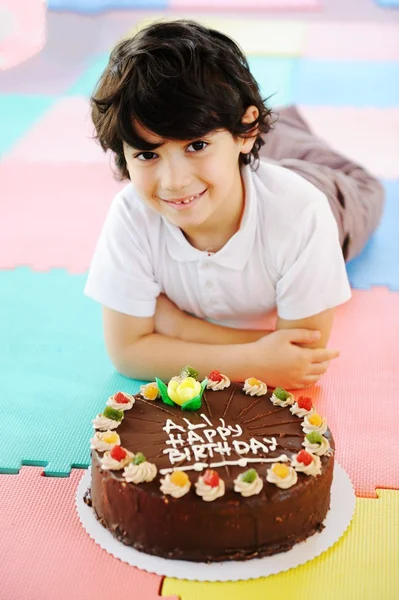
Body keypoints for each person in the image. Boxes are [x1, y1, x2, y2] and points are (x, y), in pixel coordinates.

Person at [85, 20, 384, 389]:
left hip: (332, 192)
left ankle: (278, 127)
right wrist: (255, 359)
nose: (174, 181)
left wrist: (175, 328)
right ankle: (260, 133)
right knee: (240, 155)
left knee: (360, 183)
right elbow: (128, 353)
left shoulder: (304, 212)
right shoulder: (131, 214)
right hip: (238, 167)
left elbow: (304, 354)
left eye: (195, 145)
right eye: (148, 154)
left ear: (247, 131)